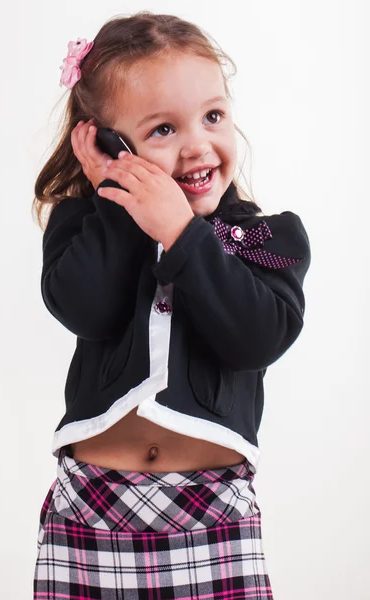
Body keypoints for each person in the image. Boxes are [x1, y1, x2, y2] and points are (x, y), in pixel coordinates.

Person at [32, 11, 311, 599]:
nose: (197, 146)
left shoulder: (269, 238)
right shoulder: (83, 225)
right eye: (163, 130)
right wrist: (114, 199)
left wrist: (185, 236)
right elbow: (86, 311)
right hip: (91, 501)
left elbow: (258, 338)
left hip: (211, 508)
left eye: (213, 116)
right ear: (110, 143)